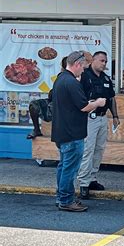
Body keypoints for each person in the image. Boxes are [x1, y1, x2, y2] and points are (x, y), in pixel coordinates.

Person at [51, 51, 106, 212]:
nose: (84, 70)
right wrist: (97, 102)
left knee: (63, 166)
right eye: (83, 67)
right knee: (70, 168)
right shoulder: (72, 82)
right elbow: (84, 106)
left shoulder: (60, 79)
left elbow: (73, 104)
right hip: (72, 133)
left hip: (62, 131)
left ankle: (61, 197)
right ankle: (67, 200)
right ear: (77, 64)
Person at [76, 51, 119, 199]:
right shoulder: (84, 75)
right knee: (88, 149)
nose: (104, 64)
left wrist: (115, 116)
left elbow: (112, 98)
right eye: (101, 60)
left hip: (102, 118)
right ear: (93, 60)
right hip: (89, 117)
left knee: (99, 149)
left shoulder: (106, 78)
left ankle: (92, 178)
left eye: (106, 61)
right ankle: (83, 183)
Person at [26, 56, 68, 139]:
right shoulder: (61, 76)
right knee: (34, 105)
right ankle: (37, 130)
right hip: (54, 103)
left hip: (66, 107)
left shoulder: (79, 77)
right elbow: (53, 94)